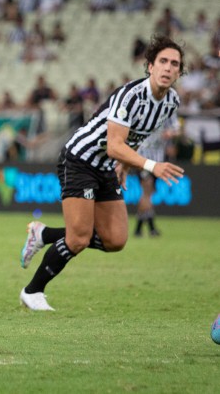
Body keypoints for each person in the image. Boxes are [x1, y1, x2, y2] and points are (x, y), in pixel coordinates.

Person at [18, 34, 185, 311]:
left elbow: (137, 135)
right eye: (163, 61)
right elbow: (114, 143)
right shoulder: (130, 95)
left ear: (179, 71)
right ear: (150, 66)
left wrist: (125, 164)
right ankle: (32, 291)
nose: (168, 68)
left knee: (116, 239)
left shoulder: (171, 102)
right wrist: (150, 165)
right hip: (79, 160)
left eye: (175, 64)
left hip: (107, 166)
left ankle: (43, 235)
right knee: (79, 238)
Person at [134, 115, 179, 237]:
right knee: (147, 191)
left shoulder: (168, 111)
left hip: (158, 160)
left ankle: (139, 228)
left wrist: (170, 133)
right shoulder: (144, 110)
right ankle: (151, 227)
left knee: (148, 193)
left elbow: (177, 129)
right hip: (143, 159)